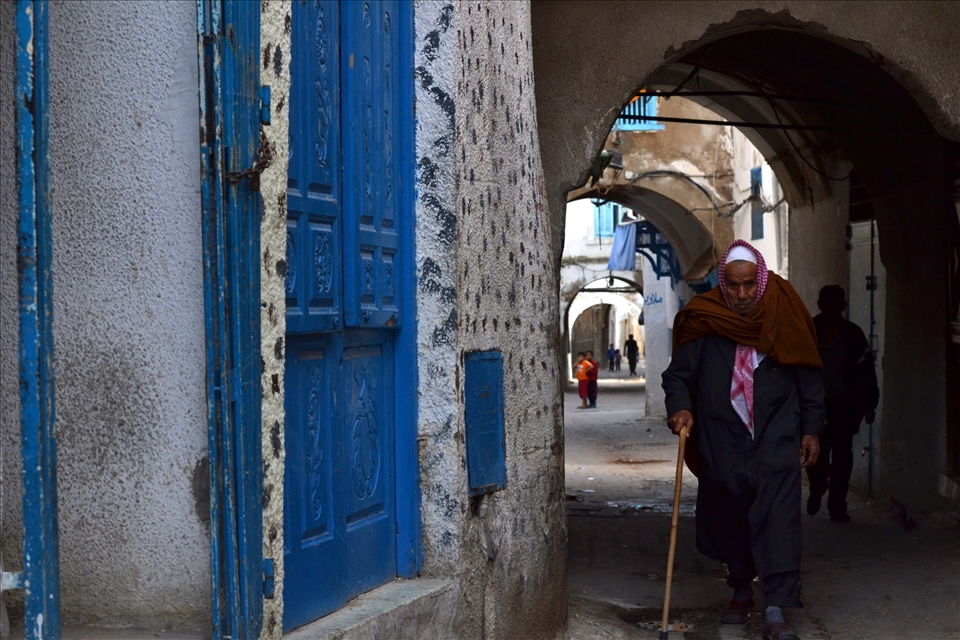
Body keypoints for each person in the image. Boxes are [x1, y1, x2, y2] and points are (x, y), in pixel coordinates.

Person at [661, 240, 824, 640]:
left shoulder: (784, 318)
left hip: (776, 440)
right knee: (732, 516)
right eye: (733, 287)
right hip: (724, 439)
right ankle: (738, 591)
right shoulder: (705, 321)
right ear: (723, 284)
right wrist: (680, 409)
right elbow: (678, 376)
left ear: (761, 281)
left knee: (779, 521)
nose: (741, 295)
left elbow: (809, 376)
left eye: (749, 285)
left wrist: (812, 430)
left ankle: (775, 608)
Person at [807, 285, 879, 522]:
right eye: (827, 306)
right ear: (819, 305)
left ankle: (838, 505)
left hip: (844, 406)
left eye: (835, 307)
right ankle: (818, 488)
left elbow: (866, 372)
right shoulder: (808, 332)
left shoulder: (853, 335)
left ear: (842, 308)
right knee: (815, 455)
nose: (831, 311)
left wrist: (869, 404)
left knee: (842, 458)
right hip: (815, 406)